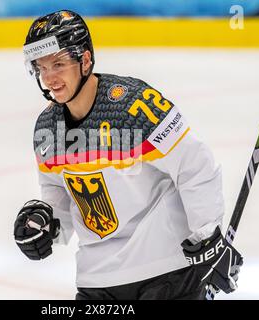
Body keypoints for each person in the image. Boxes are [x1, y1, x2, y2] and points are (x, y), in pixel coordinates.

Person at [14, 9, 243, 300]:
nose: (49, 78)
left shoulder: (134, 106)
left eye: (58, 64)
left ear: (85, 60)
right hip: (96, 280)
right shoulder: (47, 128)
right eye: (41, 67)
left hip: (166, 273)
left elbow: (193, 164)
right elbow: (59, 194)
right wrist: (45, 225)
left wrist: (208, 236)